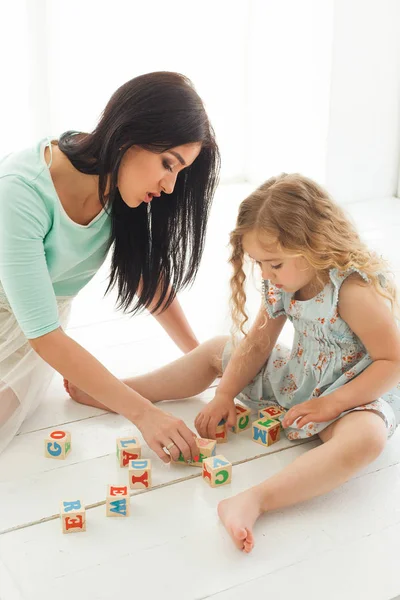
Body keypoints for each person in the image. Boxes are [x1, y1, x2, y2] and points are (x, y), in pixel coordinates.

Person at [66, 173, 400, 553]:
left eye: (274, 264)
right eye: (259, 264)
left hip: (354, 397)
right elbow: (258, 344)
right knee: (219, 347)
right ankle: (127, 392)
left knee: (367, 440)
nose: (266, 275)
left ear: (314, 245)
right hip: (299, 381)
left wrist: (332, 404)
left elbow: (392, 361)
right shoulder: (283, 281)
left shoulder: (353, 290)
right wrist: (225, 394)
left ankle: (255, 499)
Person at [0, 71, 220, 460]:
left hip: (34, 332)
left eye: (180, 172)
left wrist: (203, 362)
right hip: (35, 329)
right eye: (168, 164)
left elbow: (146, 280)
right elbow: (45, 336)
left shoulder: (122, 190)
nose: (170, 186)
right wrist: (145, 414)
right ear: (129, 135)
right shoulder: (21, 190)